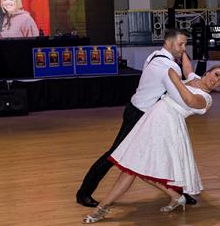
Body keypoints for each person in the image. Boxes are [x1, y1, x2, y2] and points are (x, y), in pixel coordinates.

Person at [82, 53, 220, 224]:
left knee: (133, 167)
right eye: (216, 74)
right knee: (136, 167)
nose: (215, 80)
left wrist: (174, 79)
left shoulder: (206, 99)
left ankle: (102, 208)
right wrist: (180, 49)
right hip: (153, 119)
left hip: (167, 127)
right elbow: (188, 67)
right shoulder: (194, 78)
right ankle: (176, 197)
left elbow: (189, 99)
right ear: (208, 72)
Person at [76, 29, 200, 208]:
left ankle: (180, 192)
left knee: (169, 154)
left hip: (140, 112)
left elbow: (179, 71)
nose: (183, 48)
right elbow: (179, 96)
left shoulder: (154, 56)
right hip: (139, 115)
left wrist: (188, 72)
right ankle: (83, 193)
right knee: (114, 155)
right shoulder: (169, 67)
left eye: (185, 45)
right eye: (181, 44)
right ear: (168, 43)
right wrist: (196, 87)